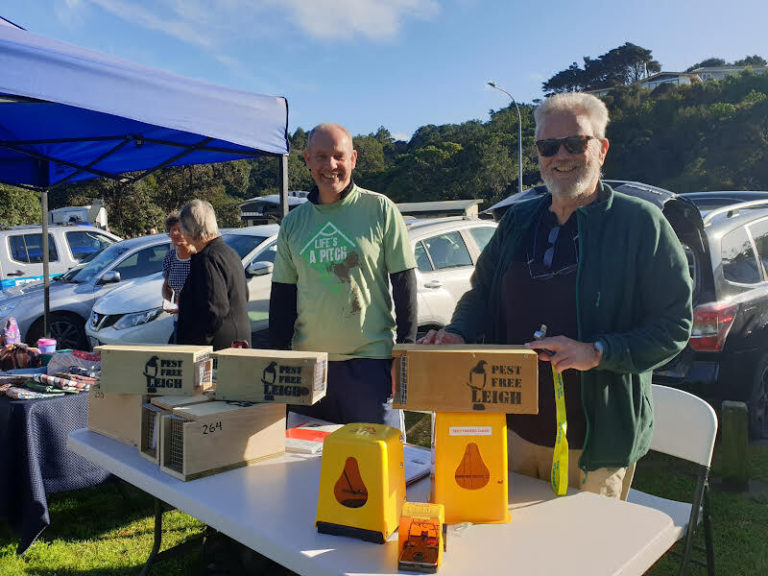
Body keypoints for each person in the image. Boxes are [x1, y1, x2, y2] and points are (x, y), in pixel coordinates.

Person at [420, 92, 692, 499]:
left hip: (596, 445)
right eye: (548, 146)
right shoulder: (518, 221)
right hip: (510, 430)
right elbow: (482, 294)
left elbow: (674, 327)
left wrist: (596, 351)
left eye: (574, 143)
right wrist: (458, 332)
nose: (560, 155)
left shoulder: (640, 225)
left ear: (601, 148)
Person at [269, 122, 417, 429]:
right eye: (321, 157)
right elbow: (282, 298)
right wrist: (280, 361)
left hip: (370, 364)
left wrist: (405, 352)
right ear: (307, 160)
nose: (330, 165)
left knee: (377, 466)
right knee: (307, 467)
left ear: (353, 159)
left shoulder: (379, 209)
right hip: (308, 366)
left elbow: (405, 285)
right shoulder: (293, 224)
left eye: (339, 156)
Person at [176, 199, 250, 351]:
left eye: (182, 228)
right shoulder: (229, 252)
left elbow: (215, 309)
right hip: (237, 340)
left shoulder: (207, 258)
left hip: (218, 348)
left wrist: (196, 345)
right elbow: (244, 294)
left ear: (191, 230)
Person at [161, 211, 194, 342]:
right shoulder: (170, 257)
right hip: (178, 320)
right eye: (172, 229)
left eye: (179, 229)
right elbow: (167, 285)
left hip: (198, 321)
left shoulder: (198, 257)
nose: (175, 233)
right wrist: (167, 301)